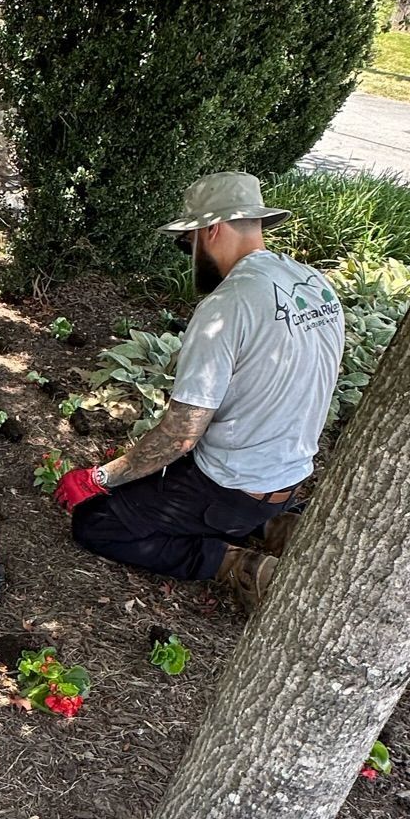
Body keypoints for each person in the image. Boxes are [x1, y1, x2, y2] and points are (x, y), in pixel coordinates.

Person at [52, 172, 345, 609]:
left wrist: (98, 478)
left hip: (231, 486)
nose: (188, 254)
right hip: (288, 475)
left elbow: (181, 435)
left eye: (187, 242)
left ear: (212, 229)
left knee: (98, 523)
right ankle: (275, 527)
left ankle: (237, 565)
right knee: (160, 482)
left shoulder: (227, 306)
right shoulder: (312, 283)